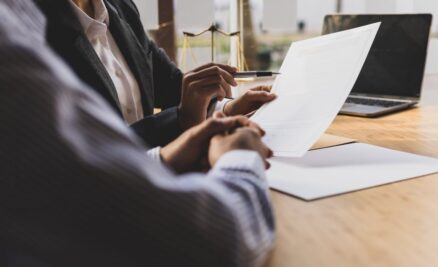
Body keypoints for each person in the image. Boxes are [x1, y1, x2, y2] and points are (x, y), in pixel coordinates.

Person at [0, 0, 275, 266]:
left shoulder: (118, 7)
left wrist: (225, 110)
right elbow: (213, 241)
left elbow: (171, 85)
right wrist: (241, 156)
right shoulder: (23, 30)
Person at [33, 0, 276, 148]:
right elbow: (92, 148)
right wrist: (181, 120)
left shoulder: (120, 8)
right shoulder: (32, 31)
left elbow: (174, 90)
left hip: (153, 182)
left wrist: (228, 112)